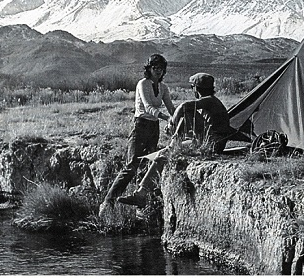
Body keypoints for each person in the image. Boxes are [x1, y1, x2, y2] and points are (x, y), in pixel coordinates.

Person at [118, 72, 233, 208]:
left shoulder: (209, 101)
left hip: (212, 145)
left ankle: (143, 193)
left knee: (187, 113)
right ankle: (142, 193)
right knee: (163, 153)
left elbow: (183, 107)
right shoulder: (211, 102)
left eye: (192, 87)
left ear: (196, 88)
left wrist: (172, 123)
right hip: (209, 142)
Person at [98, 54, 175, 217]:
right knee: (131, 166)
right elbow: (147, 107)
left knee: (148, 165)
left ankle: (143, 206)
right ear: (149, 69)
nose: (158, 72)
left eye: (161, 69)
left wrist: (177, 118)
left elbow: (171, 107)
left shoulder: (163, 88)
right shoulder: (143, 84)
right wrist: (167, 118)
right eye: (155, 68)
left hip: (154, 128)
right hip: (140, 127)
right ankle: (108, 202)